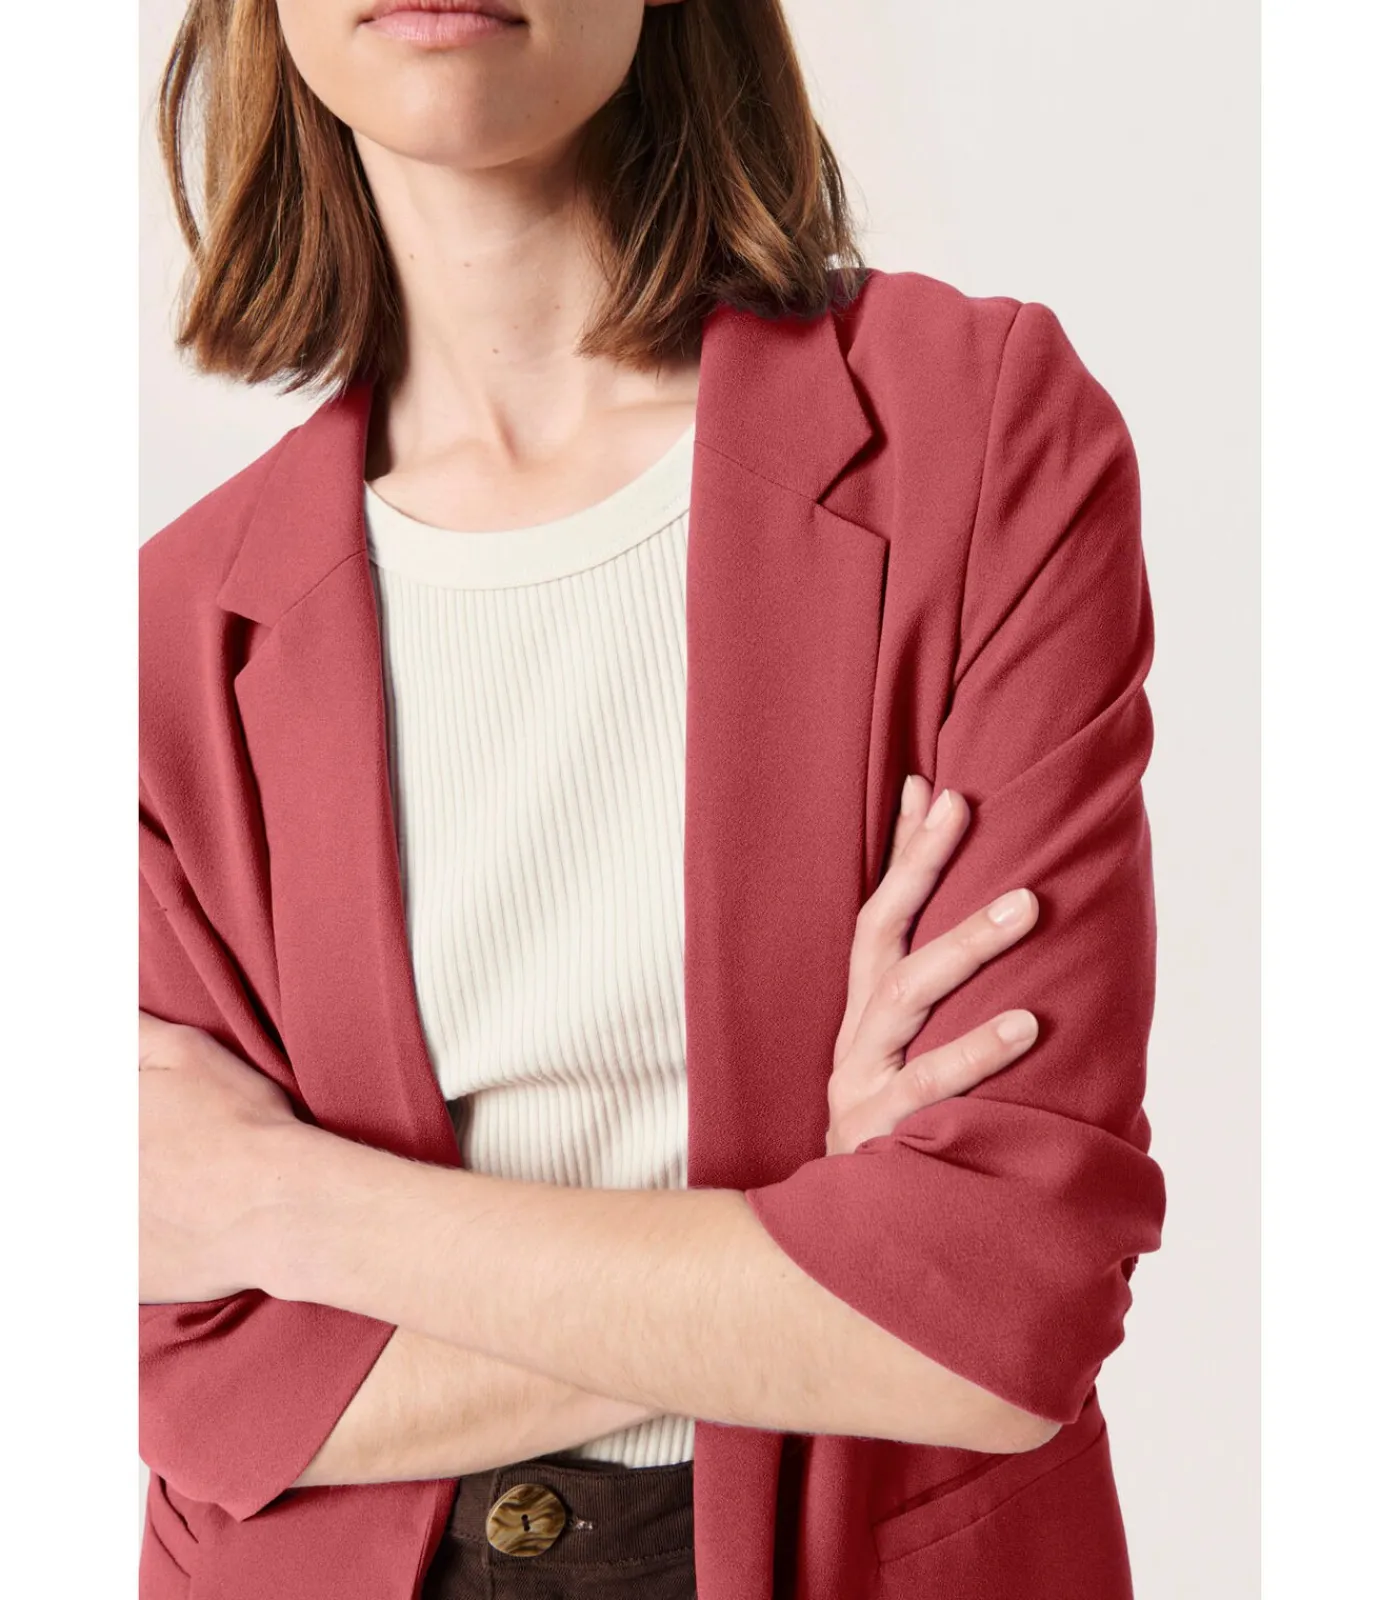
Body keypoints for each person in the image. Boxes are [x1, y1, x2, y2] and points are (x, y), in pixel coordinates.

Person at [137, 2, 1166, 1597]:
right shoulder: (167, 636)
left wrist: (282, 1204)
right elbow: (191, 1380)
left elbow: (995, 1309)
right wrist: (816, 1252)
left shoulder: (972, 429)